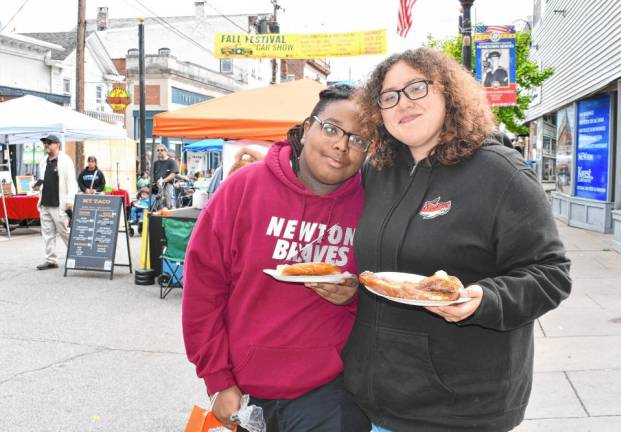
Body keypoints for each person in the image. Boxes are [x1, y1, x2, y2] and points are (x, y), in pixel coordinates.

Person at [341, 48, 571, 431]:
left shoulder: (500, 173)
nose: (403, 103)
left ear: (447, 92)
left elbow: (551, 274)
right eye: (389, 96)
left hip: (460, 409)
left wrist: (487, 299)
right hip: (375, 401)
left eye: (416, 88)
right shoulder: (377, 172)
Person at [182, 85, 371, 432]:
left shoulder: (373, 204)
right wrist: (217, 379)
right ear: (306, 127)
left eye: (359, 139)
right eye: (331, 128)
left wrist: (357, 294)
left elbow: (391, 292)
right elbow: (202, 290)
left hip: (332, 395)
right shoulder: (243, 189)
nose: (342, 145)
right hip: (245, 389)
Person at [32, 134, 77, 270]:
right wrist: (37, 185)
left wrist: (70, 200)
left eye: (49, 142)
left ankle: (75, 256)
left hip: (59, 204)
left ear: (57, 144)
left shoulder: (65, 160)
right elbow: (43, 179)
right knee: (47, 234)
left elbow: (71, 181)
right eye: (45, 142)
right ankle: (51, 259)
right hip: (45, 202)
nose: (46, 145)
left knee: (65, 232)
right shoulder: (44, 160)